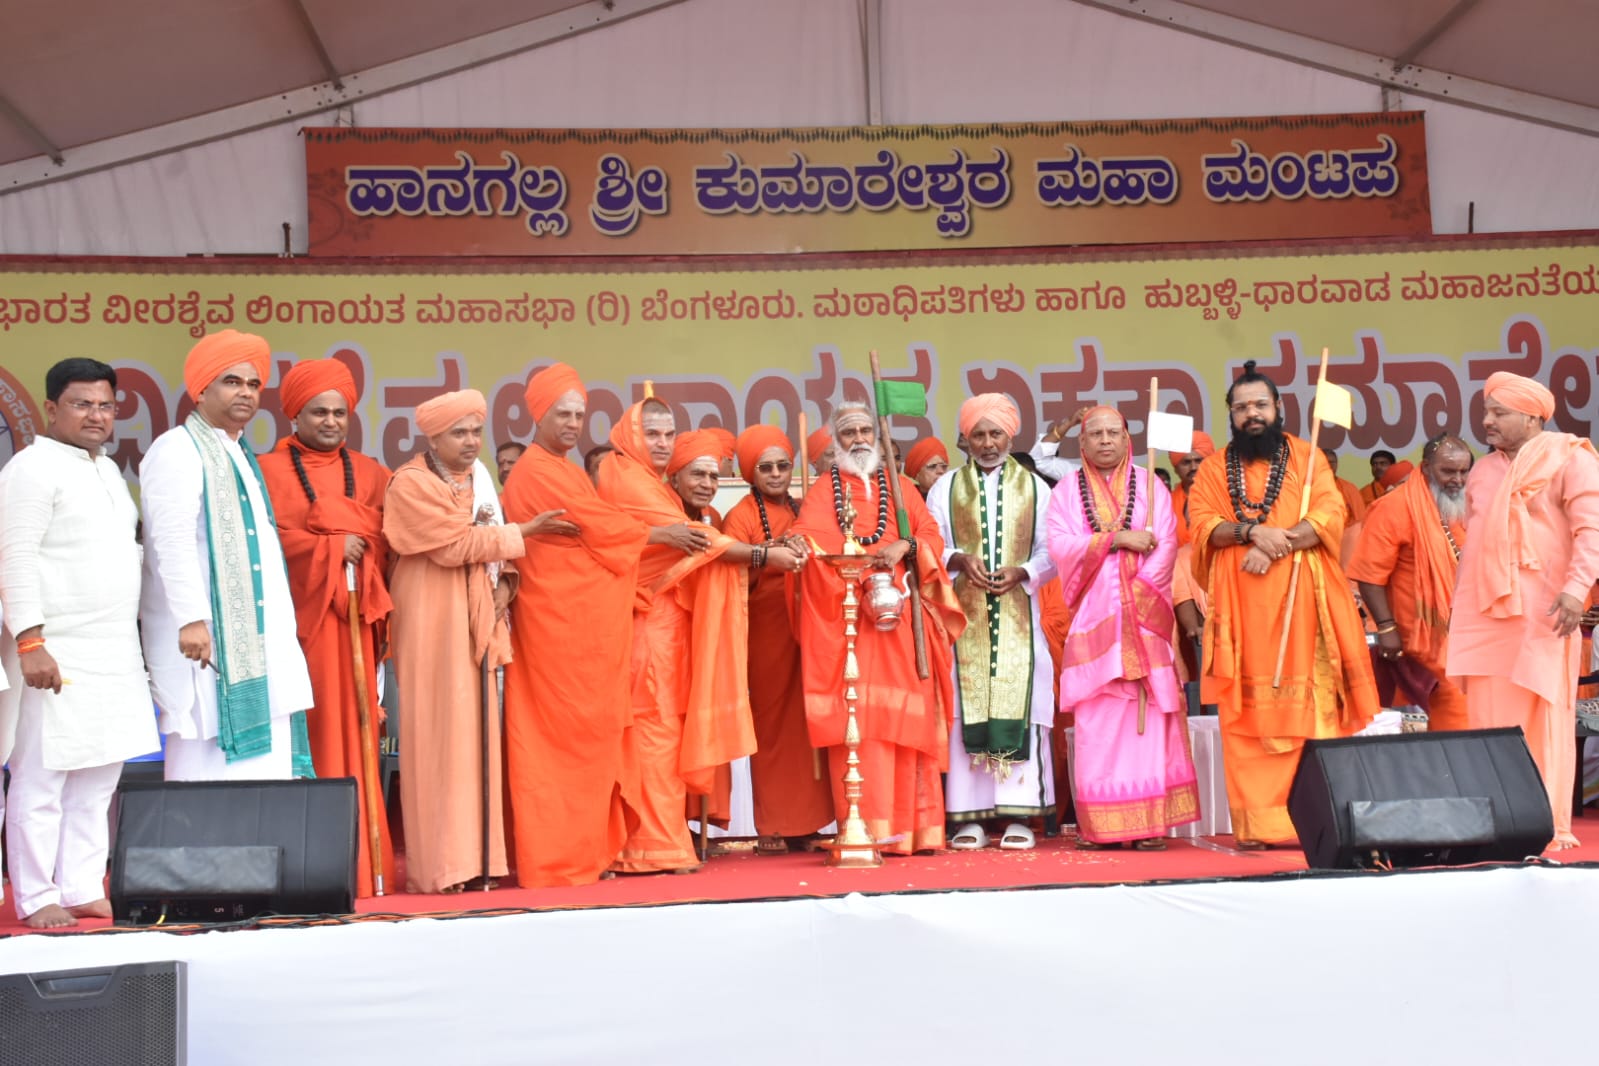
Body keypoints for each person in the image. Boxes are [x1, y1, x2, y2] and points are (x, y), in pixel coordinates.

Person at [383, 388, 570, 894]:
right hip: (430, 614)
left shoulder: (480, 479)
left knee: (476, 733)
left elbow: (488, 553)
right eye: (458, 433)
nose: (470, 442)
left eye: (475, 432)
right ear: (433, 438)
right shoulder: (410, 483)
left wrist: (503, 586)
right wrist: (523, 532)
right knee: (437, 732)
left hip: (477, 613)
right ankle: (440, 867)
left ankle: (481, 859)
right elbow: (452, 546)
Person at [1188, 360, 1378, 847]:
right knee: (1248, 720)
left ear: (1278, 407)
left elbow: (1329, 515)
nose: (1251, 414)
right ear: (1230, 414)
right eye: (1241, 407)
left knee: (1312, 711)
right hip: (1242, 611)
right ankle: (1259, 826)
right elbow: (1203, 525)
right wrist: (1251, 532)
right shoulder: (1213, 468)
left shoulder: (1308, 458)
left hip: (1304, 608)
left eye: (1260, 404)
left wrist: (1278, 543)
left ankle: (1316, 820)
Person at [0, 359, 159, 928]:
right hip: (55, 647)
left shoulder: (107, 470)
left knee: (98, 776)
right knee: (43, 776)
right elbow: (14, 557)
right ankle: (36, 895)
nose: (96, 416)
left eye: (105, 405)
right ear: (51, 408)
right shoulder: (30, 469)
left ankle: (82, 884)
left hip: (113, 648)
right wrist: (29, 641)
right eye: (81, 404)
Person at [597, 401, 767, 873]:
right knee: (653, 732)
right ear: (631, 434)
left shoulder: (650, 483)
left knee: (663, 734)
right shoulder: (625, 477)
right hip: (644, 631)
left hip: (665, 631)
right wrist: (762, 556)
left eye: (668, 434)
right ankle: (652, 847)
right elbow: (700, 541)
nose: (661, 442)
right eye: (652, 433)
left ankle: (654, 842)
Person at [141, 330, 314, 780]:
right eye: (232, 382)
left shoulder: (238, 453)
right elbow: (171, 541)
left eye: (254, 384)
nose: (246, 393)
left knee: (266, 776)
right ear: (201, 390)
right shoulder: (177, 449)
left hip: (257, 641)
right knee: (206, 769)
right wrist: (191, 619)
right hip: (208, 640)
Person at [501, 364, 650, 887]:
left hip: (579, 629)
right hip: (554, 629)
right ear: (538, 415)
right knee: (556, 743)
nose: (572, 424)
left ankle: (585, 852)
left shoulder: (563, 468)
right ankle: (553, 859)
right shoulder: (535, 471)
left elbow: (597, 534)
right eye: (562, 414)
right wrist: (658, 534)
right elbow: (604, 530)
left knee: (587, 740)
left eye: (579, 416)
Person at [794, 403, 965, 854]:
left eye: (866, 430)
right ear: (836, 441)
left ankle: (911, 832)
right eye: (848, 432)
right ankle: (866, 828)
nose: (858, 439)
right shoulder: (823, 491)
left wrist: (906, 546)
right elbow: (810, 542)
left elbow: (931, 536)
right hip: (850, 624)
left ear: (878, 434)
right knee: (862, 724)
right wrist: (857, 571)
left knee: (906, 723)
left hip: (900, 622)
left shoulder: (901, 488)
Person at [257, 358, 395, 898]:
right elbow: (264, 541)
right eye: (319, 412)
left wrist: (356, 540)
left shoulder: (371, 472)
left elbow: (390, 536)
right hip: (300, 630)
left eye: (340, 412)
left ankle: (362, 865)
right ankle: (307, 865)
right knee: (308, 735)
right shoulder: (266, 470)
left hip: (355, 623)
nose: (331, 421)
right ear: (295, 415)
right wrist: (332, 545)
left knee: (359, 732)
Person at [1447, 373, 1599, 849]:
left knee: (1543, 714)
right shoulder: (1483, 471)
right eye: (1486, 411)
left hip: (1546, 612)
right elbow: (1475, 547)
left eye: (1499, 412)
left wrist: (1576, 589)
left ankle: (1545, 823)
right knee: (1489, 719)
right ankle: (1495, 821)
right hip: (1485, 617)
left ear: (1532, 417)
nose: (1487, 421)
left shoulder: (1571, 458)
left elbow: (1591, 531)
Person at [1046, 406, 1198, 848]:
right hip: (1095, 622)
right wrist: (1117, 539)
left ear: (1127, 438)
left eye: (1113, 432)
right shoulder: (1067, 491)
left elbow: (1166, 545)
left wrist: (1141, 598)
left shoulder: (1151, 485)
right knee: (1098, 723)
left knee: (1147, 724)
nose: (1105, 440)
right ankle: (1102, 827)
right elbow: (1059, 544)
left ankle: (1149, 825)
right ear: (1082, 442)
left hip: (1145, 622)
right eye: (1096, 434)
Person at [927, 395, 1057, 850]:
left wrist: (1024, 571)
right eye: (978, 435)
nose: (987, 444)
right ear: (965, 439)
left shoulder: (1037, 488)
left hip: (1021, 618)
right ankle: (971, 818)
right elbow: (931, 543)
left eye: (995, 434)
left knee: (1025, 707)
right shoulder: (944, 488)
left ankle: (1019, 817)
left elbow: (1051, 550)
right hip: (965, 624)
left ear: (1009, 435)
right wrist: (958, 559)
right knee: (966, 708)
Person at [722, 425, 833, 855]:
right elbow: (728, 574)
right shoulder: (741, 516)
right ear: (751, 473)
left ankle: (807, 822)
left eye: (782, 466)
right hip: (764, 632)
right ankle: (772, 823)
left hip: (805, 626)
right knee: (770, 729)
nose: (775, 474)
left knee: (806, 726)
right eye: (765, 468)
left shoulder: (804, 508)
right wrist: (771, 550)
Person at [1346, 436, 1471, 732]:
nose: (1457, 479)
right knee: (1455, 710)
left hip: (1457, 635)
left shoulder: (1456, 507)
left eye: (1464, 471)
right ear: (1426, 468)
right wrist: (1386, 628)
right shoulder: (1393, 507)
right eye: (1448, 471)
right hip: (1416, 638)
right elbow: (1369, 575)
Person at [1168, 431, 1214, 546]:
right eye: (1186, 462)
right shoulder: (1166, 503)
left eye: (1199, 461)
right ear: (1176, 468)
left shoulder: (1224, 496)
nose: (1193, 467)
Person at [1029, 408, 1086, 482]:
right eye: (1096, 434)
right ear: (1082, 441)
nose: (1101, 440)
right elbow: (1039, 460)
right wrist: (1068, 423)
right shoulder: (1078, 475)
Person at [1322, 448, 1367, 525]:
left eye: (1332, 462)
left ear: (1337, 464)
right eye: (1325, 462)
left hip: (1346, 530)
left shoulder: (1349, 488)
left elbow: (1360, 518)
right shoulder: (1309, 487)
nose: (1329, 465)